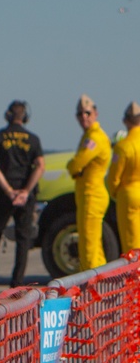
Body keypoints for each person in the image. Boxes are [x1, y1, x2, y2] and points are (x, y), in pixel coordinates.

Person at [0, 101, 45, 298]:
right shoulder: (33, 139)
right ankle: (17, 286)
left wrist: (9, 190)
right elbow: (40, 166)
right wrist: (25, 191)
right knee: (23, 240)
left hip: (5, 193)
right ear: (25, 117)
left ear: (7, 115)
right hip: (25, 195)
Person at [66, 95, 112, 271]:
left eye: (87, 113)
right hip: (88, 194)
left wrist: (72, 166)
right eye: (80, 114)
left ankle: (92, 286)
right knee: (93, 244)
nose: (83, 117)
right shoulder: (89, 136)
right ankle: (100, 283)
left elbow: (77, 163)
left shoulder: (95, 138)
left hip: (92, 194)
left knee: (88, 246)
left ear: (95, 113)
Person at [106, 101, 140, 253]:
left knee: (131, 240)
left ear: (126, 121)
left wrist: (115, 193)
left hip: (128, 194)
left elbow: (113, 178)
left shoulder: (122, 147)